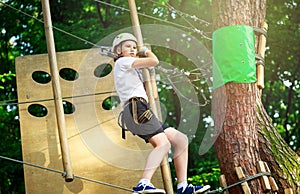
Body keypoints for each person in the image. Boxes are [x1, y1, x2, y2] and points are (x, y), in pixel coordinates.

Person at [112, 33, 211, 194]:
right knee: (163, 144)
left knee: (180, 140)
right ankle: (143, 183)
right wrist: (145, 51)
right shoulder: (122, 62)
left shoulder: (131, 67)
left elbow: (151, 83)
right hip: (135, 108)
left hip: (142, 108)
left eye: (134, 47)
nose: (132, 49)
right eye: (127, 46)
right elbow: (154, 61)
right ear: (118, 50)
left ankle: (182, 186)